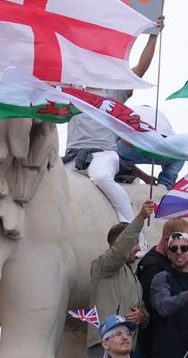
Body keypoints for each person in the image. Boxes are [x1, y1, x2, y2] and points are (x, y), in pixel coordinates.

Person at [62, 20, 163, 224]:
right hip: (73, 155)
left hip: (103, 154)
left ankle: (134, 231)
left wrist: (154, 35)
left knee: (100, 177)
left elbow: (140, 69)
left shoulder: (113, 90)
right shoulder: (70, 88)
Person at [86, 199, 155, 358]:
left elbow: (144, 312)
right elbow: (119, 251)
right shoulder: (102, 267)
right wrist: (140, 218)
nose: (139, 248)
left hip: (127, 350)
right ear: (119, 244)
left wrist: (142, 316)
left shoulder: (134, 278)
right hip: (105, 346)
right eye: (135, 242)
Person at [134, 215, 188, 358]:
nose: (181, 251)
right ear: (168, 241)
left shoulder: (164, 264)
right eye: (183, 244)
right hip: (154, 348)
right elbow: (157, 308)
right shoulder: (152, 268)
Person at [116, 102, 182, 189]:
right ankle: (164, 184)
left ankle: (124, 176)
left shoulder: (131, 110)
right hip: (157, 151)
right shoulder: (160, 115)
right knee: (179, 157)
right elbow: (169, 141)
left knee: (113, 152)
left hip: (131, 147)